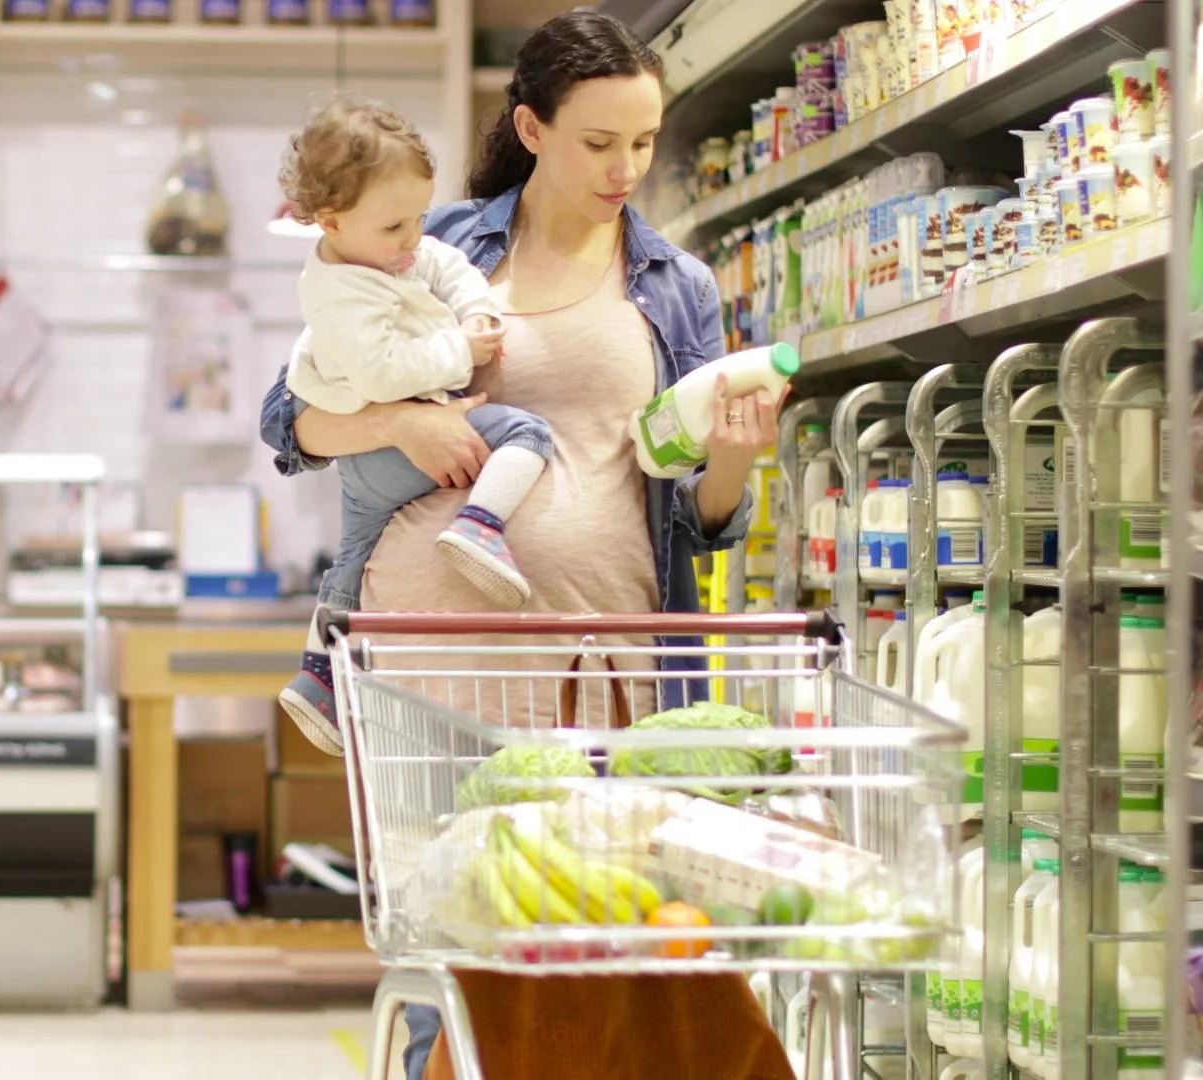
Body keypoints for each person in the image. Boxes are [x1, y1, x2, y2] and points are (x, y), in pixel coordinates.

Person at [257, 11, 792, 1080]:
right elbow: (290, 420)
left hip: (611, 657)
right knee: (456, 953)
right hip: (440, 663)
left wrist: (735, 457)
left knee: (616, 954)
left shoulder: (676, 286)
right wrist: (400, 424)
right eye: (599, 142)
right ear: (533, 129)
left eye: (643, 142)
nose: (625, 169)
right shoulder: (431, 243)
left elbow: (699, 514)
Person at [273, 99, 557, 758]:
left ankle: (319, 676)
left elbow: (446, 266)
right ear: (331, 220)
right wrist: (463, 348)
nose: (412, 239)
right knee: (526, 434)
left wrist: (476, 310)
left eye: (421, 218)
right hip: (382, 446)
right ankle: (481, 524)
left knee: (354, 557)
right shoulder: (341, 295)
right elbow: (382, 374)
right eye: (396, 225)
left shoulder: (384, 252)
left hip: (368, 458)